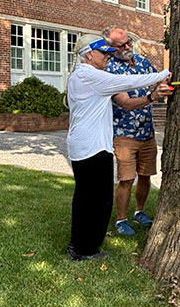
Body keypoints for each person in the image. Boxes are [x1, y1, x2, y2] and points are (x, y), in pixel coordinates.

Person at [66, 35, 170, 261]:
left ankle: (79, 245)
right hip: (92, 149)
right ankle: (86, 251)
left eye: (108, 53)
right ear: (89, 55)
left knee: (85, 198)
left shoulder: (82, 75)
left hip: (84, 146)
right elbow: (127, 83)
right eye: (103, 53)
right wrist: (162, 75)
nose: (107, 57)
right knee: (98, 201)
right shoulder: (91, 75)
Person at [102, 26, 172, 236]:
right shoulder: (110, 70)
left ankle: (139, 212)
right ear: (111, 48)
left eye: (128, 42)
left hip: (147, 132)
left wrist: (164, 82)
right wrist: (152, 97)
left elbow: (157, 78)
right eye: (121, 45)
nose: (127, 47)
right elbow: (125, 103)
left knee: (145, 175)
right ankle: (121, 220)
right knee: (126, 179)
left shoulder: (141, 61)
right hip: (124, 134)